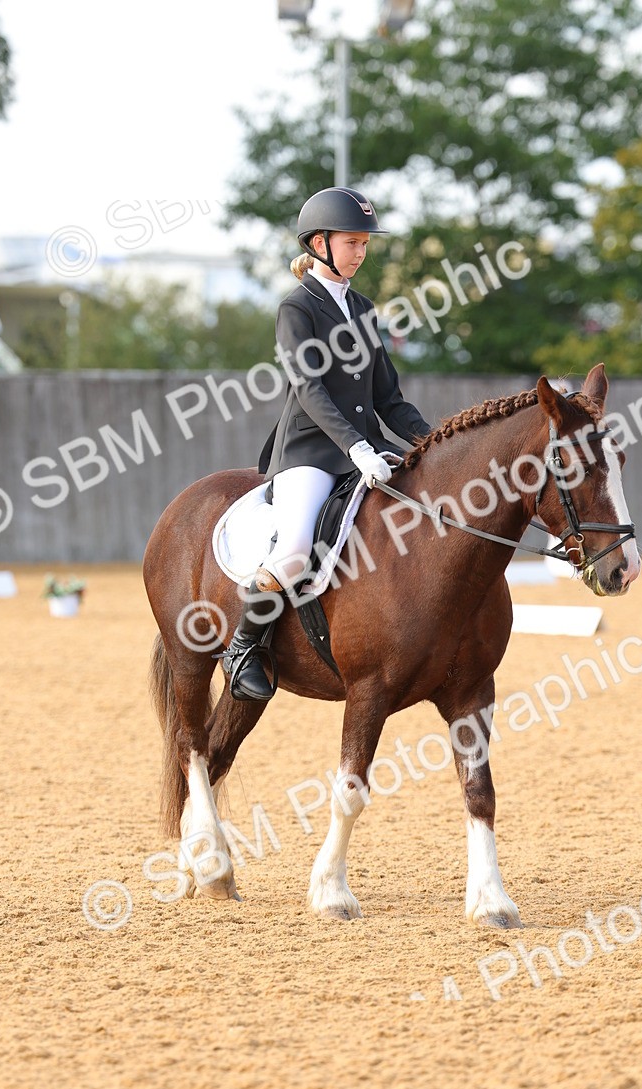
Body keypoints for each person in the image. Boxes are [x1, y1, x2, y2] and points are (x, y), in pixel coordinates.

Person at [222, 186, 432, 702]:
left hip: (365, 449)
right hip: (312, 454)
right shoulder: (297, 308)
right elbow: (309, 390)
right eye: (352, 243)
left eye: (364, 244)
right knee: (295, 549)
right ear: (320, 243)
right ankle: (244, 646)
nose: (360, 253)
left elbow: (389, 396)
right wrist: (357, 448)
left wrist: (433, 443)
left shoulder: (361, 307)